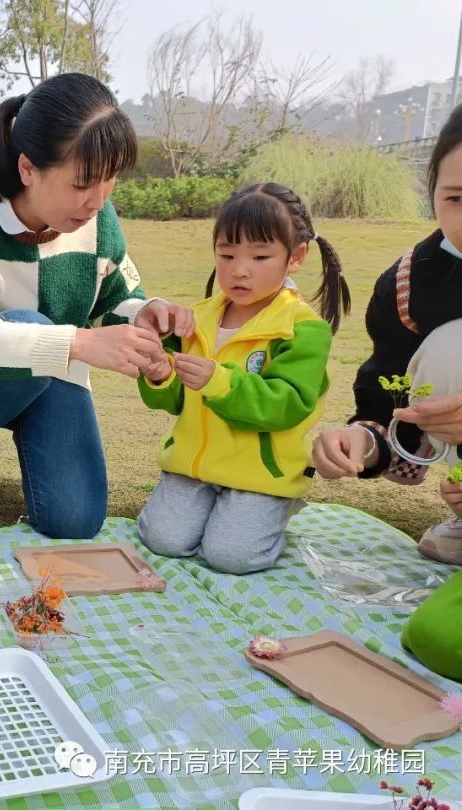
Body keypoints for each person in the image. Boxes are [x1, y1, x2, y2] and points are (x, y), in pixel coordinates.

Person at [0, 72, 187, 538]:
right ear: (27, 169)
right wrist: (75, 341)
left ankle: (21, 430)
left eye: (110, 179)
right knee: (29, 324)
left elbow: (113, 298)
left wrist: (144, 313)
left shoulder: (98, 219)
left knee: (74, 522)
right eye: (82, 183)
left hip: (54, 366)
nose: (98, 200)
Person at [311, 107, 462, 683]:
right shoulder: (410, 283)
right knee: (435, 637)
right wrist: (361, 440)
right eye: (455, 198)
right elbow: (389, 404)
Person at [137, 183, 349, 574]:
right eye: (227, 254)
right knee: (162, 540)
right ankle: (216, 511)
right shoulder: (196, 319)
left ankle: (272, 512)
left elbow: (288, 404)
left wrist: (221, 382)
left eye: (260, 255)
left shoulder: (302, 330)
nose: (240, 270)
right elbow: (174, 401)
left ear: (296, 257)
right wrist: (159, 375)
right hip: (193, 467)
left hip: (259, 476)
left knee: (231, 556)